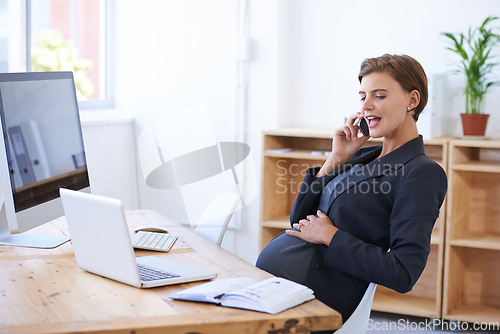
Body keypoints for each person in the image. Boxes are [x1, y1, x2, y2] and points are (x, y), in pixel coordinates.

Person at [256, 54, 448, 328]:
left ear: (412, 100)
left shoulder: (422, 172)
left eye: (379, 96)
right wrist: (336, 158)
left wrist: (331, 236)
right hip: (274, 291)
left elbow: (403, 272)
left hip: (311, 303)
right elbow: (298, 220)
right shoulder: (364, 157)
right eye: (362, 97)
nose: (366, 106)